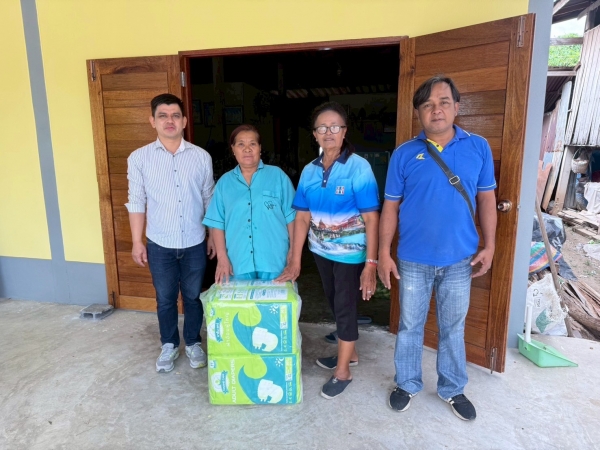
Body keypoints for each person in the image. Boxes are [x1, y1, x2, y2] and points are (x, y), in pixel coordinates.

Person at [378, 76, 497, 421]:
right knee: (410, 326)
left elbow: (487, 200)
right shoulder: (404, 153)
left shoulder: (478, 147)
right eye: (427, 104)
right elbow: (390, 207)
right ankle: (407, 383)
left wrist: (490, 245)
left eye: (444, 102)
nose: (436, 110)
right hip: (413, 259)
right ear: (418, 112)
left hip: (460, 259)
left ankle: (452, 388)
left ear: (457, 107)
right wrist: (384, 252)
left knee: (453, 328)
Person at [277, 101, 380, 399]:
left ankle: (343, 371)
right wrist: (295, 259)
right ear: (314, 134)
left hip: (350, 254)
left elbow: (372, 219)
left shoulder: (358, 168)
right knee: (335, 304)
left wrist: (370, 264)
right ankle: (351, 354)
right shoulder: (309, 171)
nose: (328, 132)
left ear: (344, 131)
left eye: (335, 126)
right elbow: (302, 217)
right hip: (320, 251)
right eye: (322, 127)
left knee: (345, 309)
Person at [126, 93, 215, 373]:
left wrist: (213, 236)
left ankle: (193, 343)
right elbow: (136, 200)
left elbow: (209, 199)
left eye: (175, 115)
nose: (169, 121)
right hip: (159, 243)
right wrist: (137, 241)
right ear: (152, 121)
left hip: (194, 241)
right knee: (165, 298)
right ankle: (169, 344)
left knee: (193, 297)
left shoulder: (201, 157)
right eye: (162, 116)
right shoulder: (139, 158)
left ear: (184, 121)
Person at [203, 124, 296, 282]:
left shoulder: (278, 177)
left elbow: (292, 218)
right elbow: (218, 223)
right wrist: (222, 258)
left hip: (275, 260)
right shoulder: (224, 183)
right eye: (241, 144)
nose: (247, 149)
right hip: (237, 262)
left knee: (276, 298)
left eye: (252, 144)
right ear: (233, 149)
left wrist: (294, 251)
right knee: (239, 299)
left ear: (260, 148)